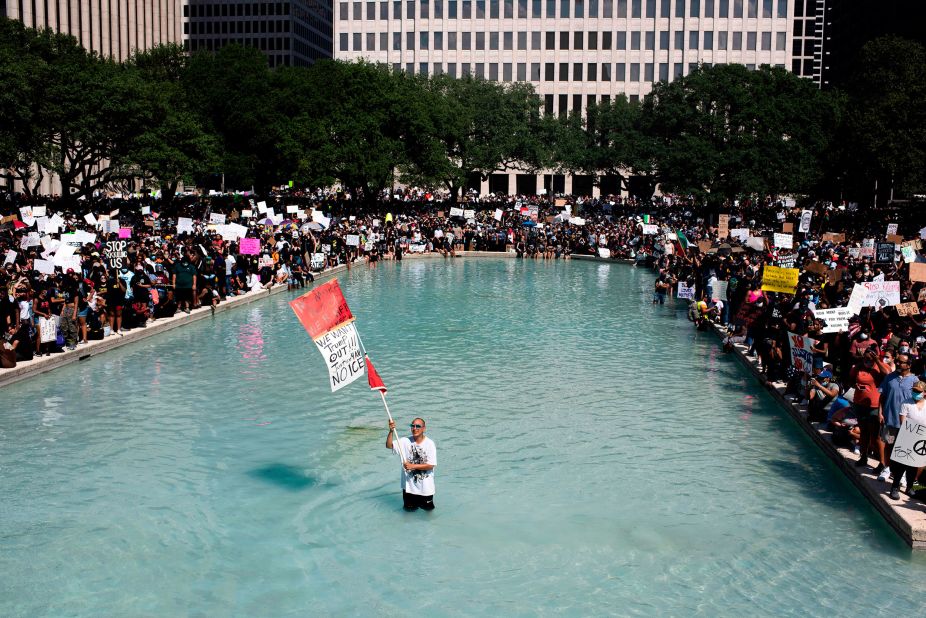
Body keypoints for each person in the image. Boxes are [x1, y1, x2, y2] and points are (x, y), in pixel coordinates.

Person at [386, 417, 436, 511]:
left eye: (418, 426)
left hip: (425, 489)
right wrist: (391, 431)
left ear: (424, 428)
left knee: (428, 513)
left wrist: (413, 466)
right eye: (412, 426)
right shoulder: (405, 441)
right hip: (409, 488)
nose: (415, 428)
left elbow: (431, 465)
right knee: (408, 513)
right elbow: (389, 446)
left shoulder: (430, 444)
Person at [888, 380, 926, 500]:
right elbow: (903, 421)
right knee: (901, 464)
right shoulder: (906, 403)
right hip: (906, 436)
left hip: (921, 438)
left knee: (914, 466)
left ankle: (909, 488)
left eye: (918, 391)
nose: (915, 393)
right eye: (914, 390)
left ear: (924, 393)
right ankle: (894, 487)